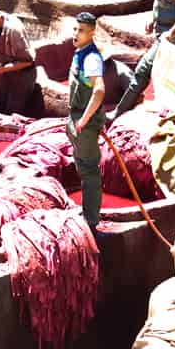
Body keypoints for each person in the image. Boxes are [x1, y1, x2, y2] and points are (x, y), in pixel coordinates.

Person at [67, 12, 106, 231]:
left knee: (89, 171)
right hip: (77, 119)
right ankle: (87, 211)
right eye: (75, 28)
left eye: (81, 30)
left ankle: (91, 221)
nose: (76, 34)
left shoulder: (91, 58)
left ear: (91, 33)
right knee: (82, 167)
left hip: (85, 123)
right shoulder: (79, 53)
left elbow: (99, 90)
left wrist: (84, 120)